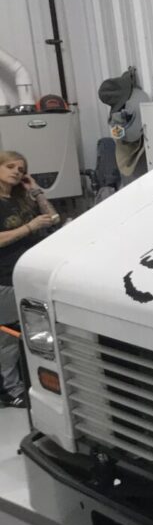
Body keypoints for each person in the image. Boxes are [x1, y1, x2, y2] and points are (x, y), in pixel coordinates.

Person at [0, 151, 60, 406]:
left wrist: (36, 191)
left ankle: (31, 383)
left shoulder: (23, 199)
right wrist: (29, 227)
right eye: (10, 166)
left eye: (21, 168)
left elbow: (53, 219)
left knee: (35, 333)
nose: (17, 172)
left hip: (29, 277)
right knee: (9, 337)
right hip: (5, 278)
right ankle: (11, 389)